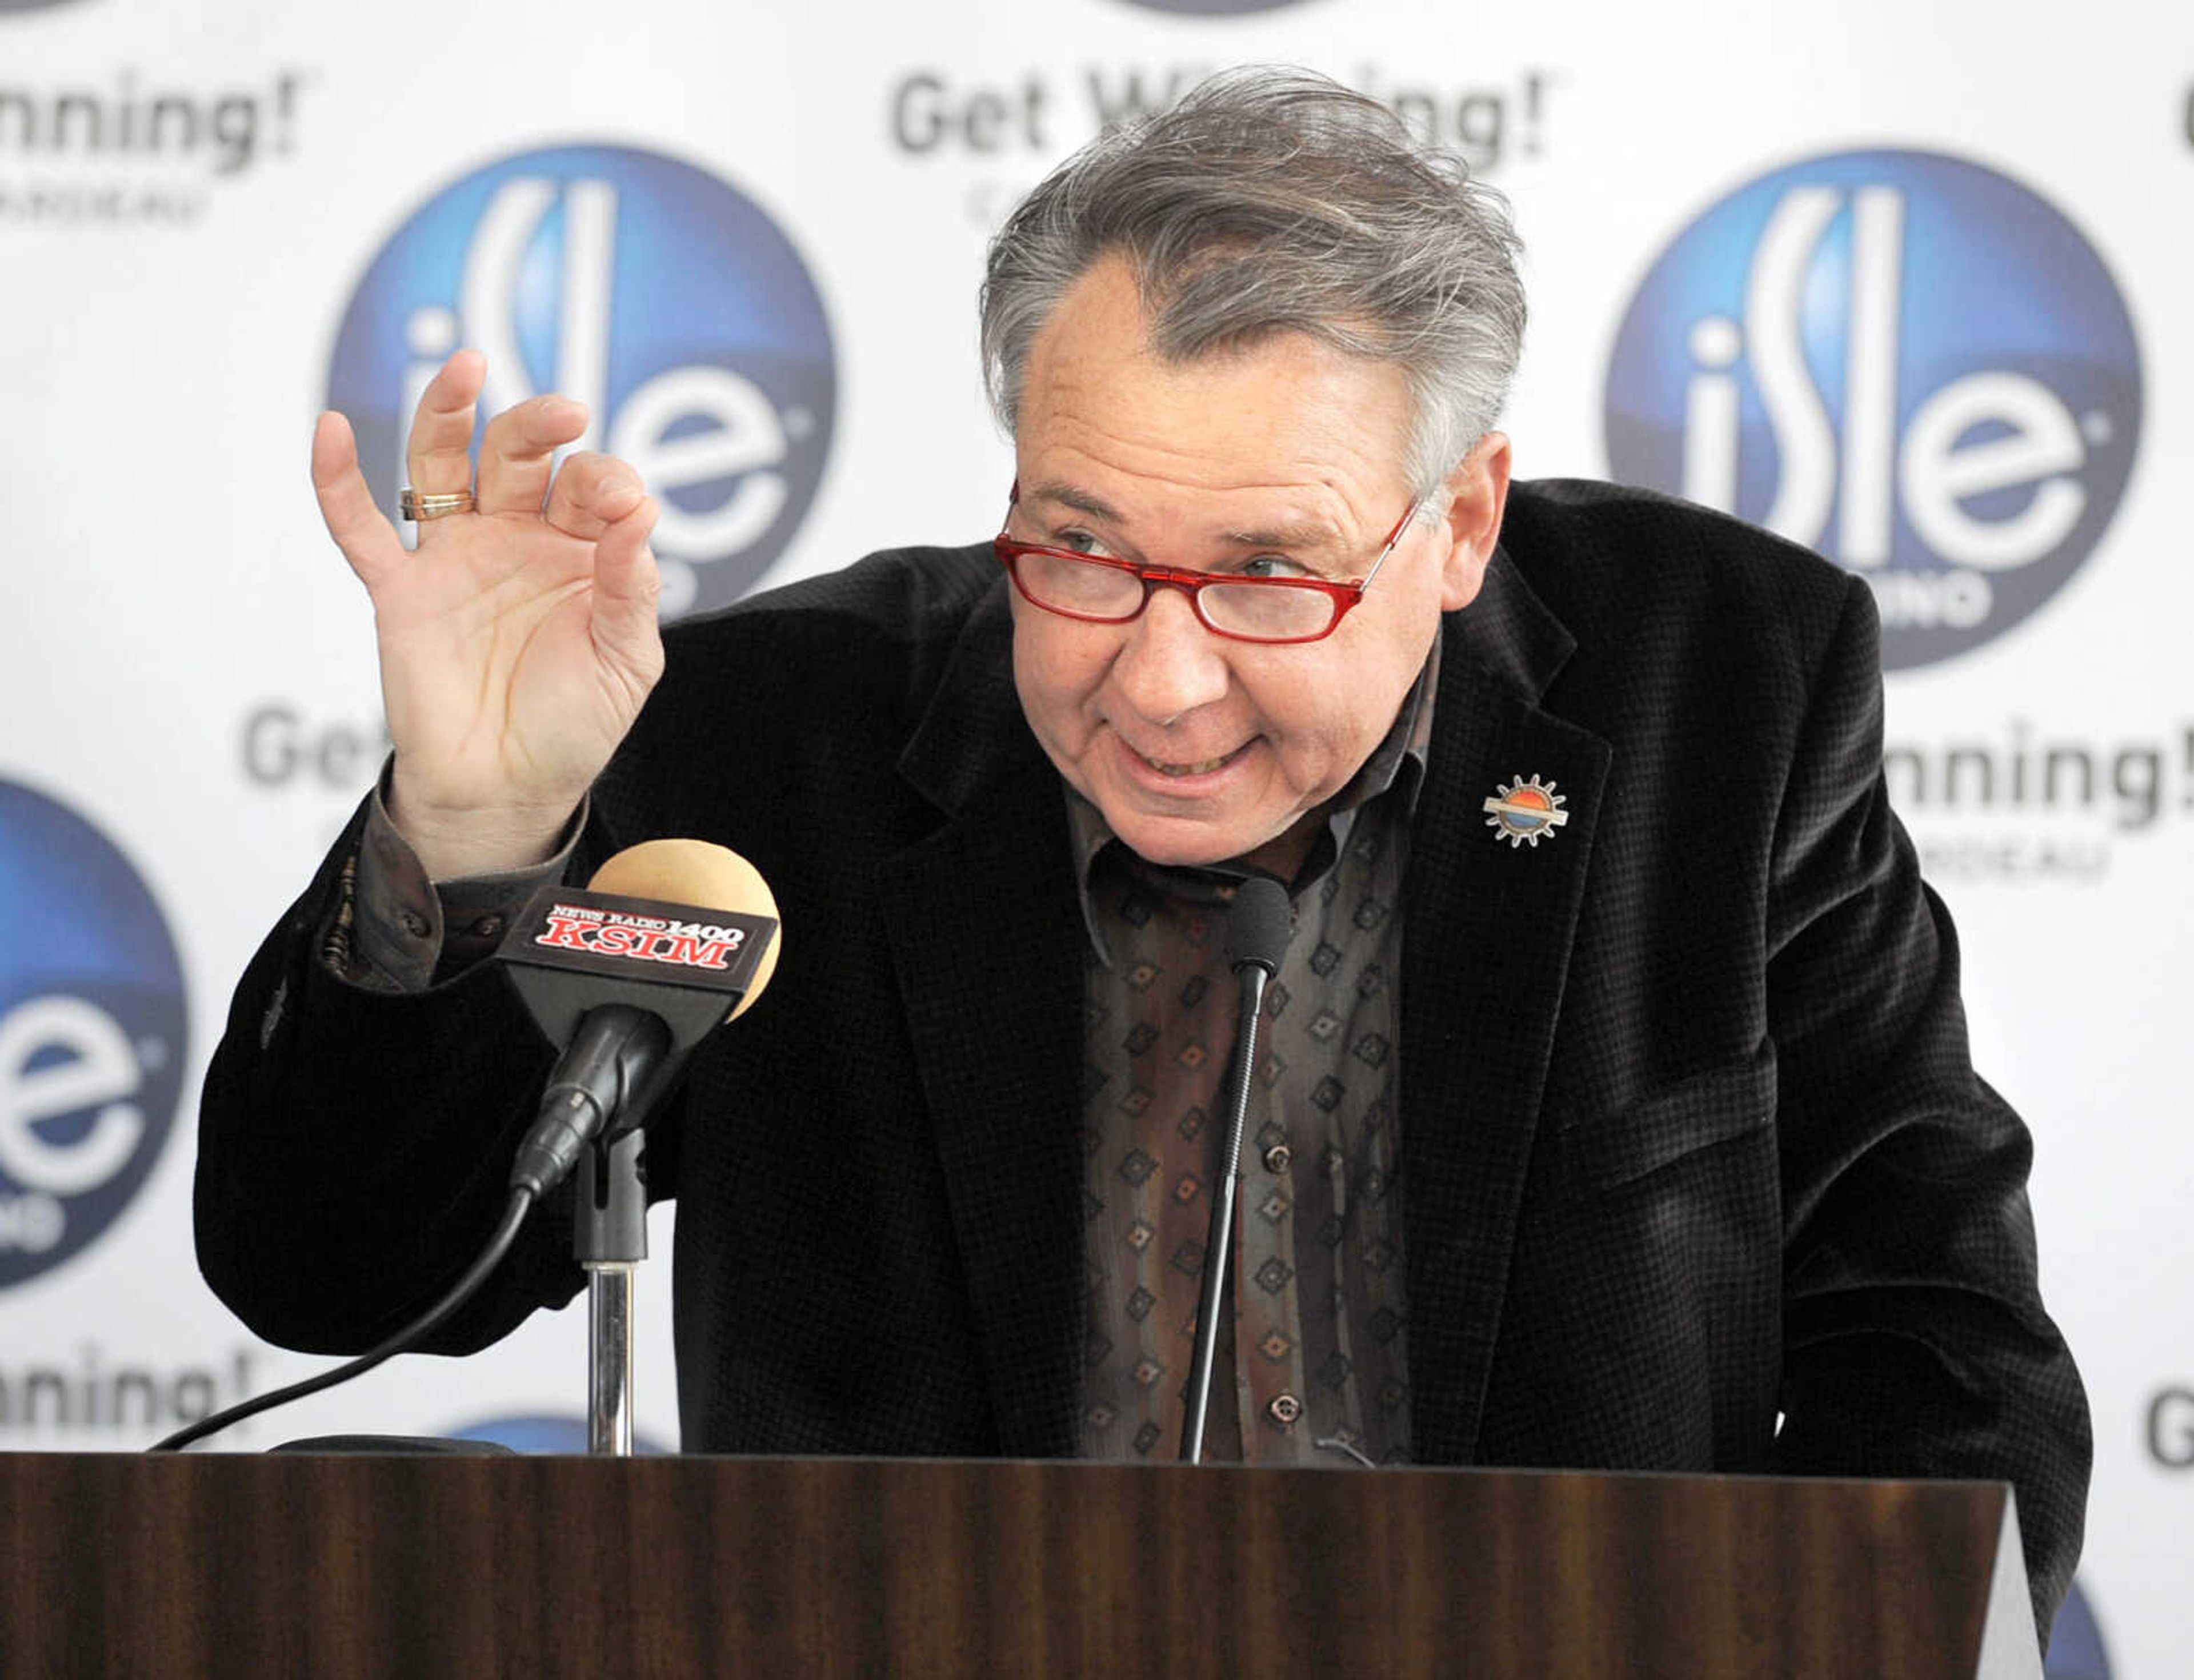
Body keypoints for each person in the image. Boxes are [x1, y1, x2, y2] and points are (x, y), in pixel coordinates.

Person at [194, 68, 2088, 1634]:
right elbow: (335, 1275)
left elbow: (1941, 1355)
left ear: (1459, 523)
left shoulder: (1721, 698)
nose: (1163, 685)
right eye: (1082, 552)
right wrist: (474, 822)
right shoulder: (786, 744)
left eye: (1270, 575)